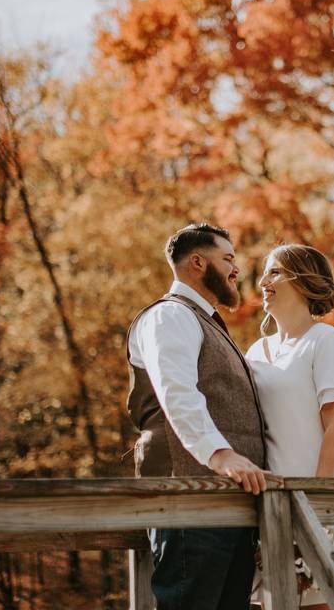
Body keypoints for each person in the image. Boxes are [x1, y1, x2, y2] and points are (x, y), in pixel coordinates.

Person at [125, 223, 270, 610]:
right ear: (197, 262)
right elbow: (178, 393)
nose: (236, 270)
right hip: (188, 499)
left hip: (226, 503)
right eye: (227, 259)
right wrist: (220, 455)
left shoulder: (203, 321)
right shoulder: (169, 317)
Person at [245, 244, 334, 608]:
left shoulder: (325, 341)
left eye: (275, 272)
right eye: (264, 273)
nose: (264, 281)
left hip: (320, 507)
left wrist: (317, 509)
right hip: (269, 510)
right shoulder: (253, 353)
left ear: (303, 280)